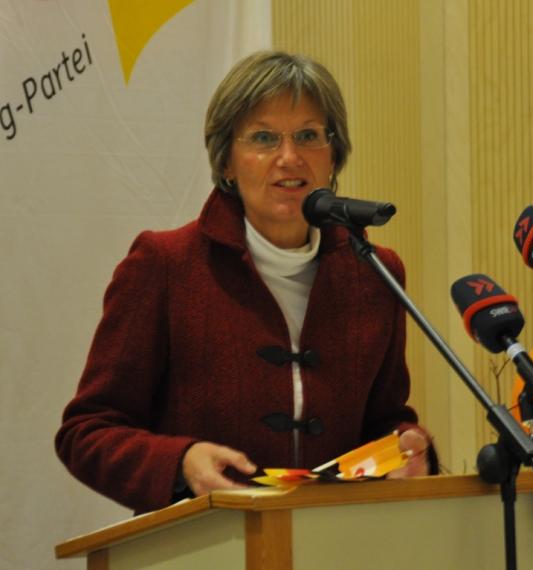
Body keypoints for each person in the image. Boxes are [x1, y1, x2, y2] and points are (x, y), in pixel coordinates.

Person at [55, 50, 438, 514]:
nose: (289, 158)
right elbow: (87, 432)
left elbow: (384, 419)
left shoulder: (374, 274)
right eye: (263, 138)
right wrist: (180, 462)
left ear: (333, 155)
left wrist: (405, 447)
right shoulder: (165, 266)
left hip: (335, 539)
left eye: (308, 136)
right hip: (202, 542)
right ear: (227, 163)